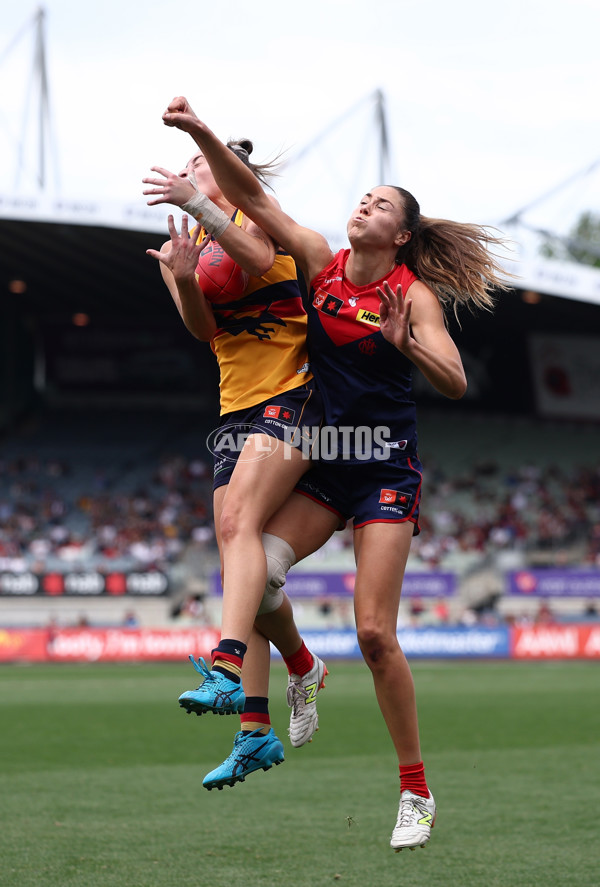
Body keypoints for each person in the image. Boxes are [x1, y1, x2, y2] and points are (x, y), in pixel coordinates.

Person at [157, 95, 510, 851]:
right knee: (255, 576)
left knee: (377, 634)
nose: (364, 204)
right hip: (326, 454)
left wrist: (405, 341)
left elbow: (453, 380)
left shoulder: (410, 295)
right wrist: (198, 134)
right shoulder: (322, 260)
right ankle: (297, 670)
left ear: (402, 233)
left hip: (383, 464)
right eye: (362, 196)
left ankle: (415, 790)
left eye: (379, 203)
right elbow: (249, 199)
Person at [143, 147, 340, 789]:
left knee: (237, 525)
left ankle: (226, 662)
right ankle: (261, 722)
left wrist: (197, 200)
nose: (189, 169)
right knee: (244, 562)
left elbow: (256, 261)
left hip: (297, 394)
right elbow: (202, 331)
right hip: (237, 406)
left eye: (199, 164)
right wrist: (180, 276)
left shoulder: (260, 217)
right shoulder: (192, 239)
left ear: (223, 175)